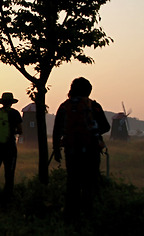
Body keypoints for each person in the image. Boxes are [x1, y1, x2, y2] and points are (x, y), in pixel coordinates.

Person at [52, 77, 110, 221]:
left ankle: (71, 216)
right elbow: (106, 126)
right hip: (91, 150)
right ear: (88, 90)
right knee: (90, 183)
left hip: (71, 151)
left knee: (72, 182)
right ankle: (88, 215)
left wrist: (56, 149)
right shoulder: (94, 106)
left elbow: (56, 131)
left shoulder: (64, 107)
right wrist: (92, 133)